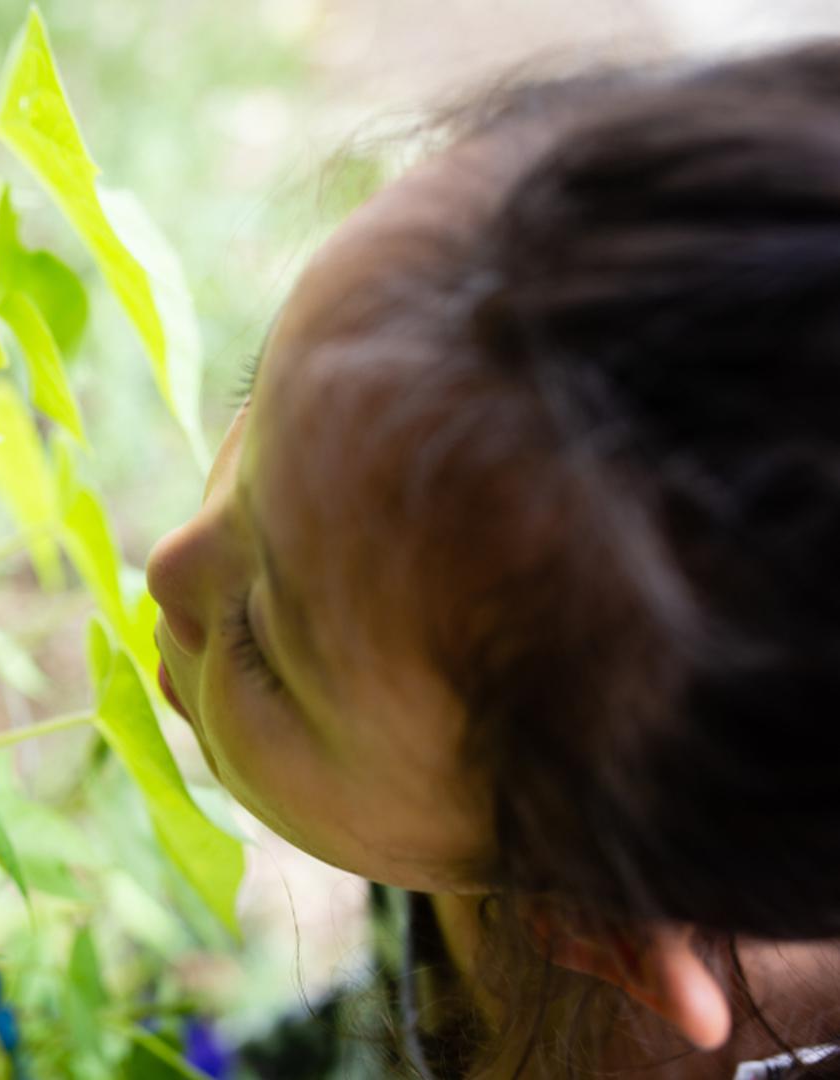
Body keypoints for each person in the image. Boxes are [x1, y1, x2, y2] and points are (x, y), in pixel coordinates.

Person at [145, 41, 840, 1079]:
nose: (169, 565)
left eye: (267, 646)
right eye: (260, 393)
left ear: (592, 931)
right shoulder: (487, 717)